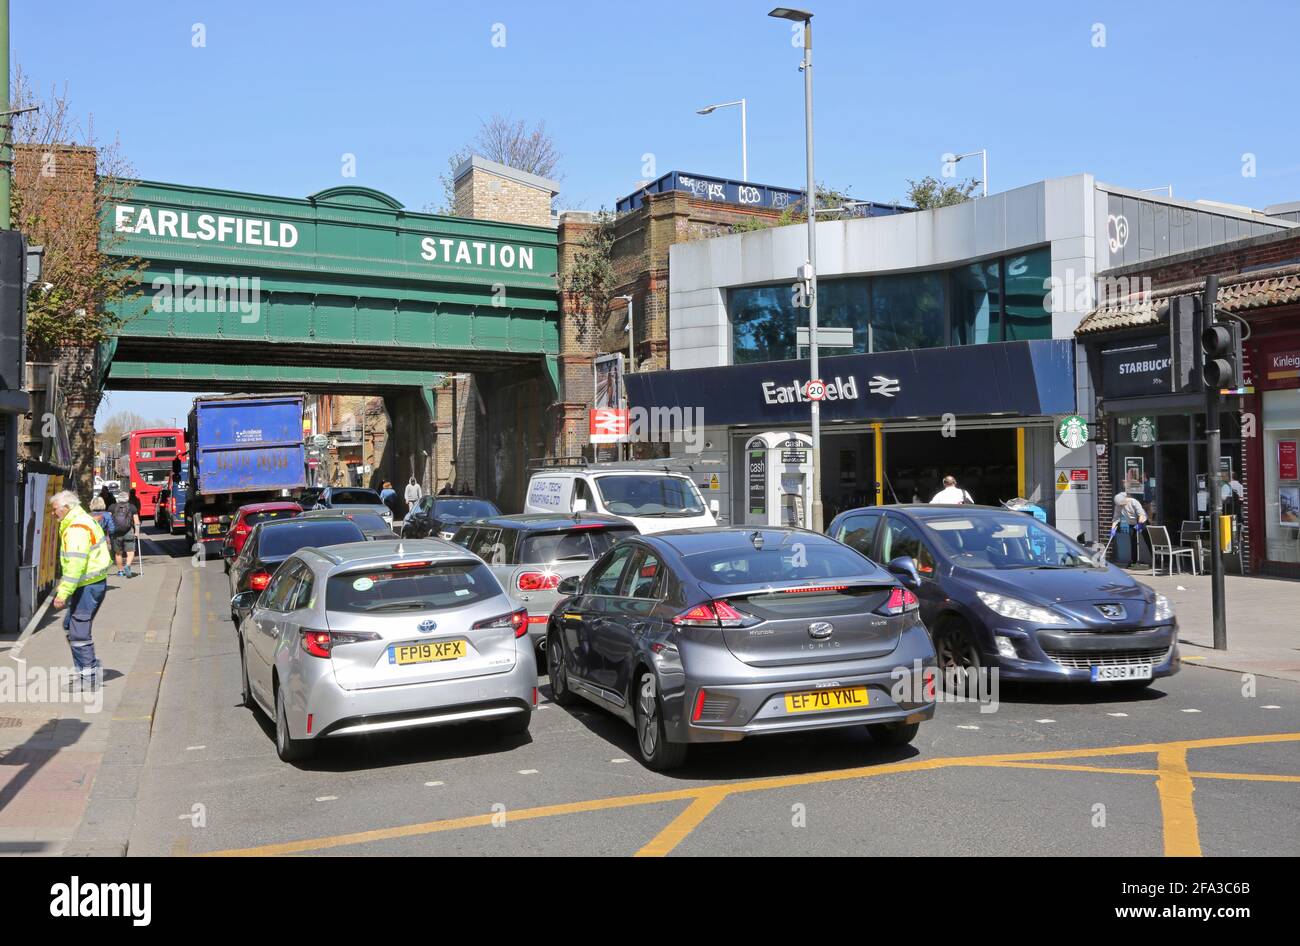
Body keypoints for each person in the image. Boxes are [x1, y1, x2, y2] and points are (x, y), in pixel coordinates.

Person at [49, 490, 111, 689]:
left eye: (55, 510)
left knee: (78, 632)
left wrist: (63, 593)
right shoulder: (82, 519)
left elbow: (75, 563)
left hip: (87, 586)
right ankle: (87, 668)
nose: (53, 514)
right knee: (71, 626)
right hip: (91, 583)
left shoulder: (76, 528)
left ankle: (89, 676)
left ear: (66, 508)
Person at [107, 492, 141, 578]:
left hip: (115, 532)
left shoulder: (112, 507)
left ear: (118, 498)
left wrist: (108, 532)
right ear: (127, 498)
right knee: (130, 552)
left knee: (118, 553)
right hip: (128, 531)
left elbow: (108, 520)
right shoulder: (132, 507)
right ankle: (127, 565)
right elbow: (136, 522)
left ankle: (120, 571)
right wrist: (137, 532)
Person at [1111, 491, 1149, 566]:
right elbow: (1116, 519)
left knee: (1147, 539)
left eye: (1121, 504)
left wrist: (1140, 524)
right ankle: (1134, 561)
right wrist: (1113, 529)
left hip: (1142, 521)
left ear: (1124, 500)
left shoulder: (1134, 502)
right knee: (1133, 541)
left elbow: (1141, 514)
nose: (1121, 506)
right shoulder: (1118, 506)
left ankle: (1155, 559)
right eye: (1119, 505)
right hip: (1131, 523)